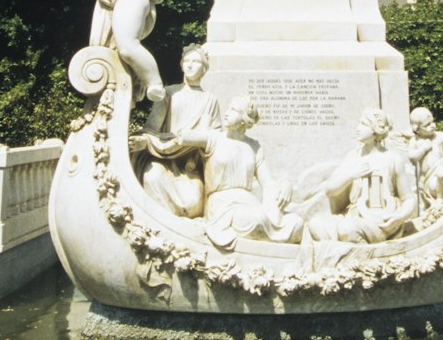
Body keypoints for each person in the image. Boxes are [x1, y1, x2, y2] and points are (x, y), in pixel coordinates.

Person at [135, 96, 303, 249]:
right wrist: (148, 142)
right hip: (223, 205)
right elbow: (176, 140)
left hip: (248, 203)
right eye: (228, 108)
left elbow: (268, 184)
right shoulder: (213, 138)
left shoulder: (254, 146)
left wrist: (286, 183)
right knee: (257, 220)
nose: (227, 113)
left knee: (297, 223)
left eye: (234, 110)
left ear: (245, 120)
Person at [136, 45, 222, 219]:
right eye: (187, 61)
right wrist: (145, 141)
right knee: (152, 177)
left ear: (204, 69)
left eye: (196, 62)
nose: (190, 65)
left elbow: (216, 138)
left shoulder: (210, 100)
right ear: (181, 65)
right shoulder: (169, 93)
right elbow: (151, 129)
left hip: (190, 166)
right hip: (162, 158)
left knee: (193, 203)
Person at [307, 108, 416, 243]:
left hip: (383, 220)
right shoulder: (354, 156)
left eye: (363, 124)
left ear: (376, 130)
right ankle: (351, 250)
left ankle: (358, 253)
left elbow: (409, 199)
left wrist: (399, 217)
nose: (358, 128)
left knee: (346, 229)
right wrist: (351, 175)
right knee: (315, 223)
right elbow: (330, 190)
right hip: (355, 216)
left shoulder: (392, 158)